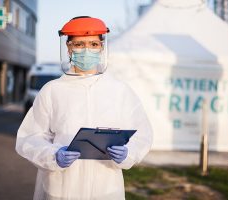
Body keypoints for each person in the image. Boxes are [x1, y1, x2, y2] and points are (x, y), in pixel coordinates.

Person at [15, 16, 153, 200]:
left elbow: (142, 135)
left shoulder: (120, 91)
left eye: (94, 44)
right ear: (69, 48)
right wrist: (53, 155)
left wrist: (129, 153)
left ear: (102, 48)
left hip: (106, 189)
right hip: (61, 188)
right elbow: (29, 138)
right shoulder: (52, 90)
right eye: (79, 44)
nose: (87, 50)